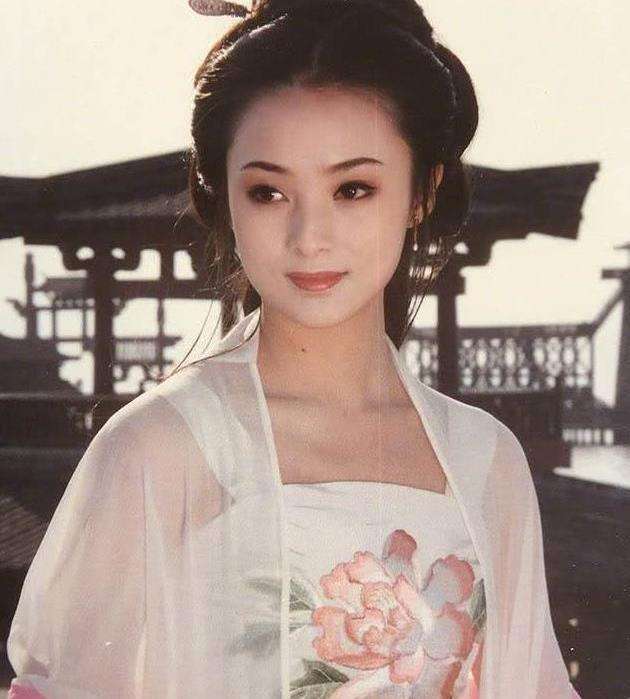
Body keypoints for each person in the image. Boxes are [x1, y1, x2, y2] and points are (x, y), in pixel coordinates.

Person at [7, 0, 581, 696]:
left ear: (422, 192)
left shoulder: (485, 459)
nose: (309, 236)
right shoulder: (162, 448)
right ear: (224, 194)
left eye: (353, 188)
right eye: (268, 192)